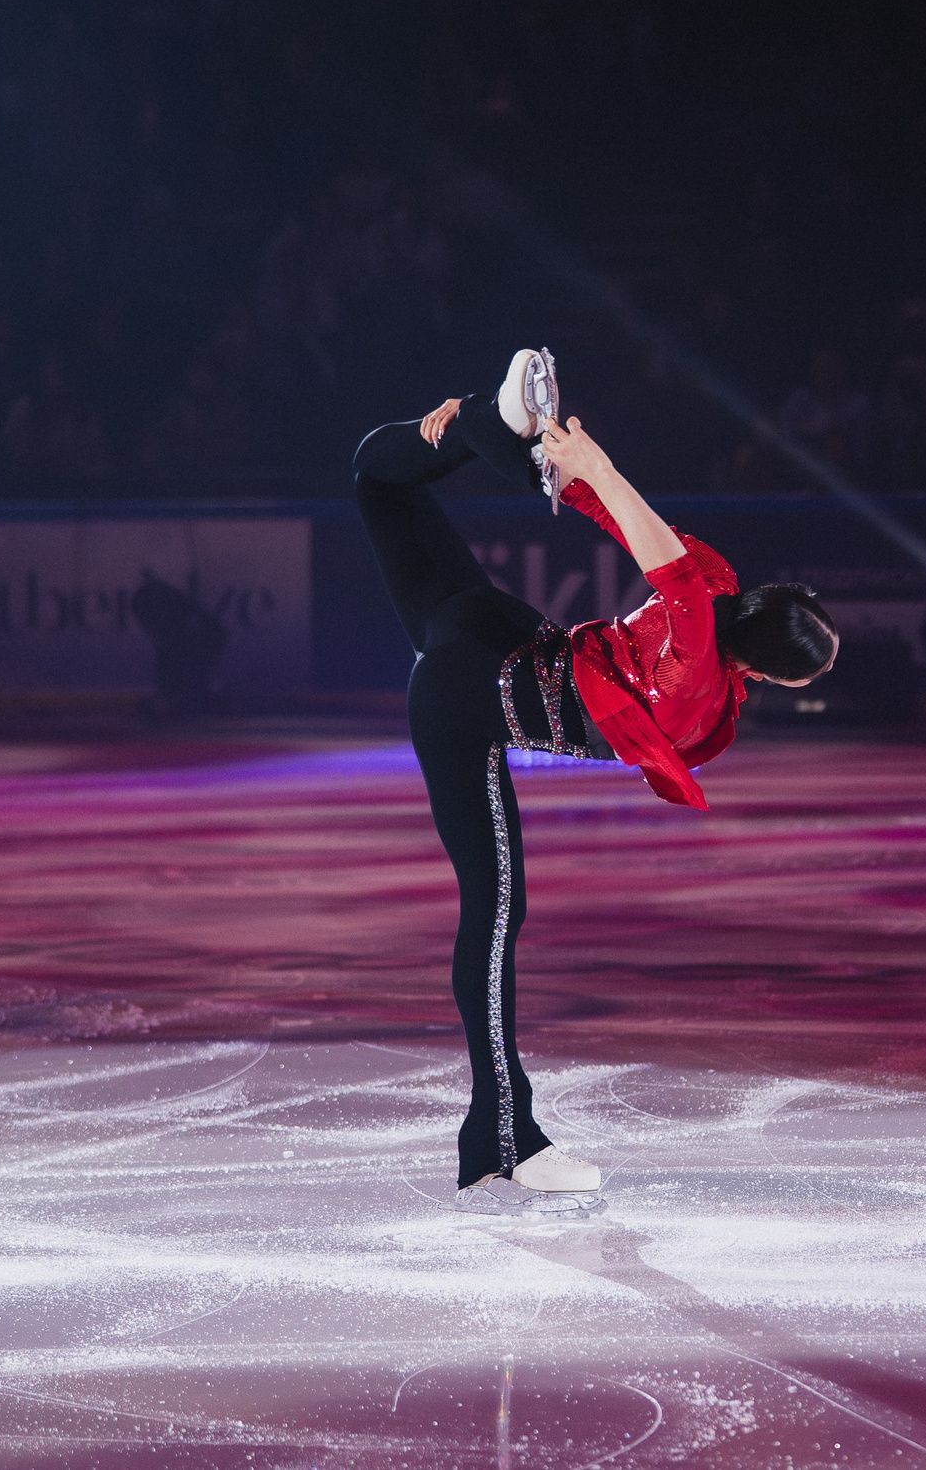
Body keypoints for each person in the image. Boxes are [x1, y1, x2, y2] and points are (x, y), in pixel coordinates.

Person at [352, 350, 840, 1213]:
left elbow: (645, 537)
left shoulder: (719, 586)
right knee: (494, 916)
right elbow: (663, 567)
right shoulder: (697, 665)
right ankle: (503, 1145)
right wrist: (594, 468)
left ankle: (479, 420)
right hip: (466, 700)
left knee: (376, 476)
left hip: (494, 633)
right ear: (771, 672)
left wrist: (542, 452)